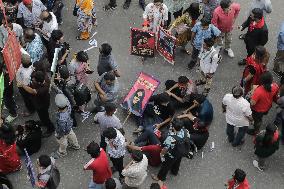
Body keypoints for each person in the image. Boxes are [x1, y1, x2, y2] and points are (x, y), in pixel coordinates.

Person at [17, 70, 55, 137]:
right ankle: (43, 122)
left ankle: (50, 128)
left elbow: (32, 91)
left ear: (39, 82)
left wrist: (22, 85)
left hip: (42, 105)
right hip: (38, 103)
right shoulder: (44, 77)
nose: (33, 79)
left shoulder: (44, 88)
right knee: (41, 116)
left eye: (34, 79)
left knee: (45, 117)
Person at [53, 94, 80, 158]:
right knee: (72, 136)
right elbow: (64, 98)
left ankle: (62, 152)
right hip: (69, 128)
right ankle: (75, 145)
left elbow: (62, 129)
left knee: (63, 142)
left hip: (63, 132)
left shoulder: (60, 118)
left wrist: (59, 135)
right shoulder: (68, 106)